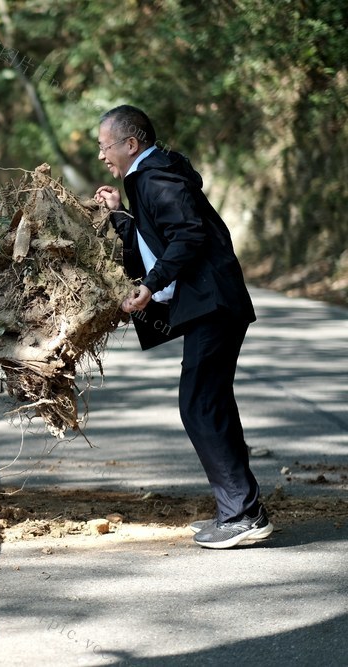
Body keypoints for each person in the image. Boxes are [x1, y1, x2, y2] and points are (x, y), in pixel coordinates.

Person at [93, 105, 272, 549]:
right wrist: (120, 215)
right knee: (209, 403)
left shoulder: (154, 177)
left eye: (105, 146)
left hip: (212, 304)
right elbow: (157, 242)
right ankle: (241, 509)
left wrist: (151, 288)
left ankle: (243, 514)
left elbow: (188, 235)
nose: (102, 156)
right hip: (213, 303)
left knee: (199, 404)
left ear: (130, 144)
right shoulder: (151, 177)